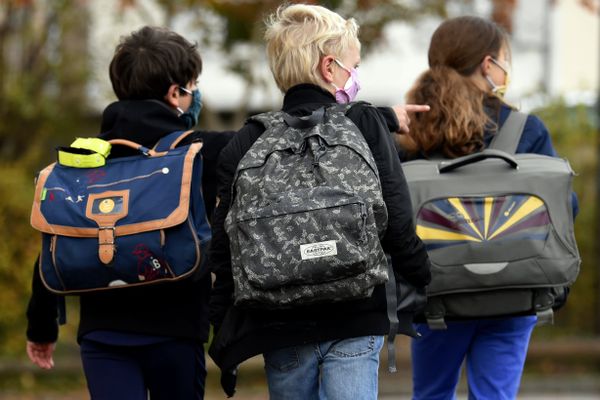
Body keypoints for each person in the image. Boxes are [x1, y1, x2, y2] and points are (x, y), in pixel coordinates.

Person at [208, 4, 431, 400]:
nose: (355, 75)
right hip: (356, 314)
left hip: (280, 323)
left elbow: (226, 245)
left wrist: (223, 320)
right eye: (353, 65)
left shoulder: (246, 142)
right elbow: (396, 218)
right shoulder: (363, 123)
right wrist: (421, 275)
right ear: (330, 69)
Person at [25, 26, 233, 400]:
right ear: (176, 93)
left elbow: (57, 241)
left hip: (103, 335)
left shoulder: (83, 161)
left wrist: (41, 327)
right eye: (193, 86)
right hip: (177, 330)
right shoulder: (201, 154)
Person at [396, 15, 579, 400]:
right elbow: (565, 206)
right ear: (487, 64)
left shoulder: (413, 129)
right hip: (514, 290)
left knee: (430, 394)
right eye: (502, 58)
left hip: (436, 295)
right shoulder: (526, 128)